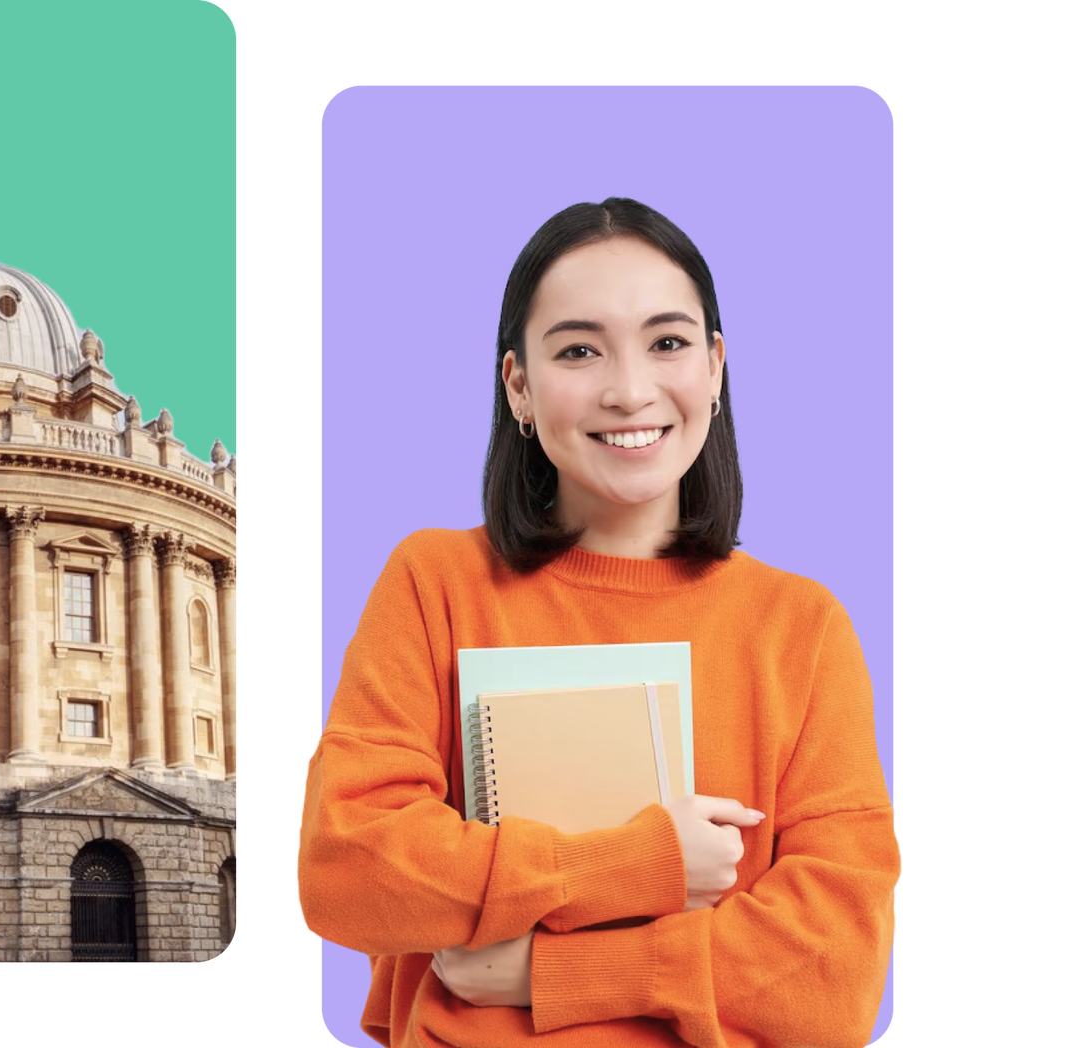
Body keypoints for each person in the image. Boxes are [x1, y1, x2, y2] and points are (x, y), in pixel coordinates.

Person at [295, 198, 898, 1048]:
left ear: (716, 369)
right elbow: (346, 870)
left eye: (668, 342)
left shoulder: (801, 627)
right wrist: (642, 864)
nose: (628, 390)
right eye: (579, 349)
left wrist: (551, 974)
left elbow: (837, 970)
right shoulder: (435, 582)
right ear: (519, 386)